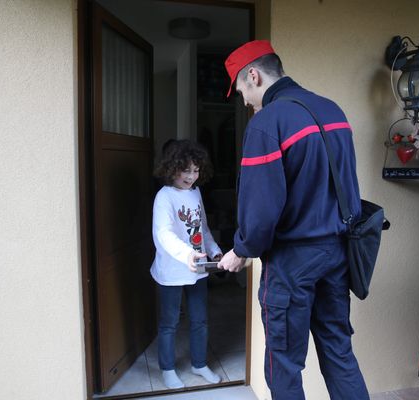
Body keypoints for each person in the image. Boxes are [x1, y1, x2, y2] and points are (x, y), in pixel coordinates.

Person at [217, 40, 369, 400]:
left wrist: (240, 250)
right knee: (338, 352)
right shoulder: (333, 110)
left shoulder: (267, 123)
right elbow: (348, 186)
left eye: (240, 90)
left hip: (291, 264)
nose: (244, 100)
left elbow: (261, 211)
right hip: (336, 255)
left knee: (283, 364)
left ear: (252, 75)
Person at [151, 139, 223, 389]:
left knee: (200, 319)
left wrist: (214, 251)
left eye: (196, 170)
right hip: (171, 271)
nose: (192, 176)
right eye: (186, 170)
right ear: (172, 168)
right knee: (169, 322)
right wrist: (187, 254)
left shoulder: (195, 192)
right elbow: (163, 234)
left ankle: (199, 363)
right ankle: (168, 369)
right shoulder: (164, 197)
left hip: (198, 270)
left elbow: (201, 227)